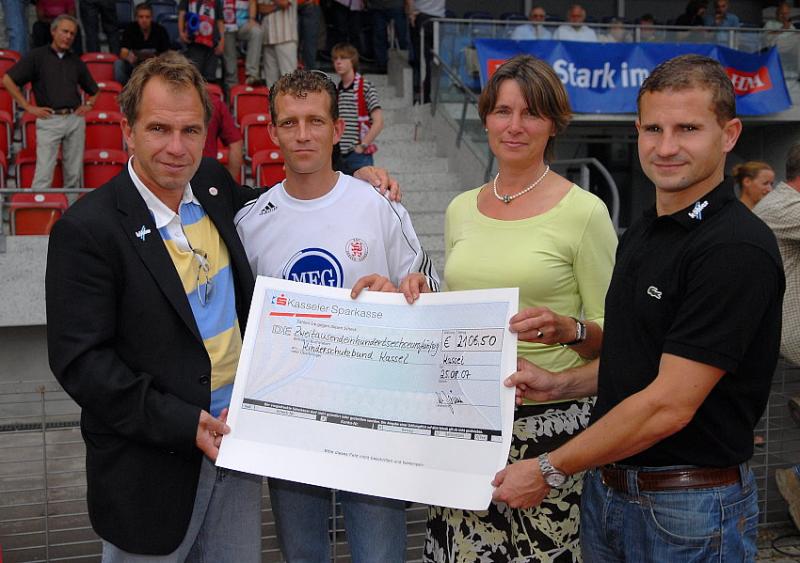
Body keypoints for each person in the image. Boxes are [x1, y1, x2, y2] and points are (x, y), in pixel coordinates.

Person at [492, 54, 784, 562]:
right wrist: (561, 384)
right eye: (653, 129)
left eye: (688, 128)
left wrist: (549, 468)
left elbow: (670, 403)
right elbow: (639, 362)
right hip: (611, 494)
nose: (666, 147)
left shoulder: (734, 248)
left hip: (688, 509)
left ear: (729, 134)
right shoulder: (645, 230)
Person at [46, 51, 263, 561]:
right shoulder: (87, 230)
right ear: (128, 131)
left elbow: (286, 207)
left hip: (237, 450)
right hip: (149, 472)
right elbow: (82, 364)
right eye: (159, 129)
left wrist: (355, 184)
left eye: (190, 131)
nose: (176, 148)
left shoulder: (213, 185)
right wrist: (183, 422)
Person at [401, 54, 616, 562]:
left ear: (553, 124)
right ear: (486, 119)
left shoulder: (585, 212)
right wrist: (417, 296)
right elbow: (464, 310)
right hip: (465, 419)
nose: (514, 126)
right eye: (502, 111)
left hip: (549, 426)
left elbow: (617, 336)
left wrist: (569, 329)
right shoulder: (460, 208)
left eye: (531, 113)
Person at [235, 68, 438, 563]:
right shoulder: (249, 222)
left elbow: (430, 291)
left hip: (373, 421)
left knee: (379, 556)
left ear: (337, 129)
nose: (302, 134)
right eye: (290, 123)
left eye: (315, 121)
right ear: (272, 131)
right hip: (290, 425)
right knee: (303, 555)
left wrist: (401, 294)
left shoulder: (379, 205)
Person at [2, 15, 98, 190]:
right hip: (49, 120)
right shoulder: (37, 56)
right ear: (53, 31)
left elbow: (94, 90)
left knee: (73, 175)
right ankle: (39, 207)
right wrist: (27, 106)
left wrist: (89, 105)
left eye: (72, 34)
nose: (68, 36)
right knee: (44, 174)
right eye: (65, 31)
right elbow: (8, 80)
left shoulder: (76, 61)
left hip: (74, 120)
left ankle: (71, 208)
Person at [332, 43, 384, 176]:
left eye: (343, 58)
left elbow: (378, 121)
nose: (338, 62)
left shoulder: (365, 86)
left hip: (358, 155)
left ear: (352, 61)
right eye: (335, 58)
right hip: (339, 155)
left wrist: (363, 145)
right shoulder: (337, 91)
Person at [114, 3, 171, 85]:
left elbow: (166, 54)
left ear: (152, 17)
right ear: (136, 18)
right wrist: (131, 58)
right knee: (118, 64)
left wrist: (154, 60)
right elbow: (123, 53)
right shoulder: (130, 29)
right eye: (141, 17)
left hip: (155, 66)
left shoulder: (160, 30)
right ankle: (125, 89)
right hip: (134, 65)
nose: (144, 20)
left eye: (147, 17)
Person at [406, 0, 445, 104]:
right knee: (433, 59)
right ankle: (428, 93)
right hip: (439, 19)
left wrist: (411, 14)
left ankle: (422, 93)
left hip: (422, 17)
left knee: (421, 59)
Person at [179, 0, 225, 81]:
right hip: (194, 43)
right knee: (194, 76)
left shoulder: (217, 1)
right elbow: (182, 13)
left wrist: (222, 41)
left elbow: (220, 21)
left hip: (212, 45)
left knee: (210, 78)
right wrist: (181, 32)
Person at [222, 0, 264, 89]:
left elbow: (252, 1)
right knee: (230, 58)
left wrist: (252, 19)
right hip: (226, 25)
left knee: (256, 32)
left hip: (243, 23)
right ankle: (231, 86)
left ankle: (252, 75)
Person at [257, 0, 298, 87]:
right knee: (271, 83)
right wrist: (277, 7)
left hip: (286, 37)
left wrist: (271, 7)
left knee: (289, 80)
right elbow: (260, 8)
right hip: (267, 38)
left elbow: (284, 3)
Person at [204, 93, 243, 181]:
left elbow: (236, 144)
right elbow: (236, 144)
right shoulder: (214, 103)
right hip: (206, 177)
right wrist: (229, 183)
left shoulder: (214, 103)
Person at [370, 0, 409, 74]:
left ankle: (404, 62)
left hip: (392, 6)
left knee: (402, 36)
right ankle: (382, 65)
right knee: (380, 36)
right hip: (379, 6)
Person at [297, 0, 321, 70]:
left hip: (310, 4)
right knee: (290, 43)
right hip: (289, 5)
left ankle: (308, 73)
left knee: (309, 44)